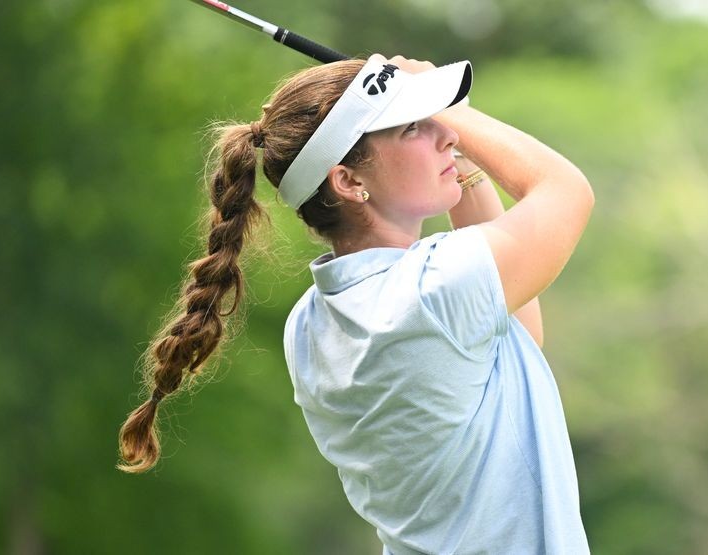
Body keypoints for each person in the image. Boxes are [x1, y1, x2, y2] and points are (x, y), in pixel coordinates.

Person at [118, 53, 594, 554]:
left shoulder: (311, 322)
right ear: (348, 181)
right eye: (413, 127)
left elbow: (517, 341)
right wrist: (454, 111)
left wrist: (455, 150)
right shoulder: (430, 290)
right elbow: (568, 192)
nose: (447, 136)